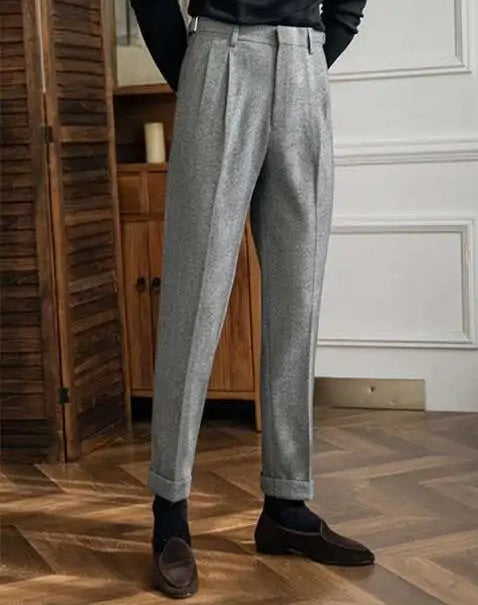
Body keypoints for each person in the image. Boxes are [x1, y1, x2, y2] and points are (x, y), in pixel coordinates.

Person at [129, 0, 373, 598]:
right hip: (219, 57)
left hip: (304, 67)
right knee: (194, 301)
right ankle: (169, 511)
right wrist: (195, 72)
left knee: (298, 301)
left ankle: (286, 506)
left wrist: (324, 42)